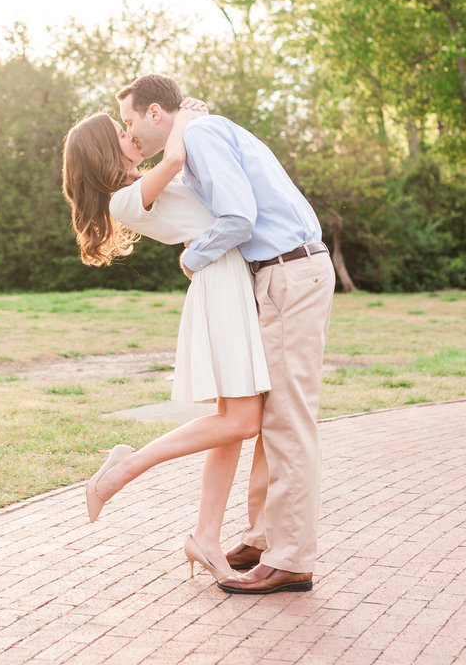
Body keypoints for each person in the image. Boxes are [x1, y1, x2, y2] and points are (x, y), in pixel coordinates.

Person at [116, 74, 334, 595]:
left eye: (129, 121)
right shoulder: (196, 136)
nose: (129, 134)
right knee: (268, 416)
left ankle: (291, 559)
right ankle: (264, 538)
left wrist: (193, 256)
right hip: (282, 275)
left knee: (287, 423)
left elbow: (239, 216)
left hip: (287, 273)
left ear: (154, 114)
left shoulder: (200, 137)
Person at [61, 100, 270, 581]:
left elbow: (181, 165)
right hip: (219, 285)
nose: (128, 132)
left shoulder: (137, 186)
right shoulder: (124, 199)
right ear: (101, 150)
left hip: (227, 280)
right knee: (241, 419)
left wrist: (182, 121)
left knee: (233, 420)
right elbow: (174, 159)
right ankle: (127, 467)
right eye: (119, 130)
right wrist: (187, 122)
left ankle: (206, 536)